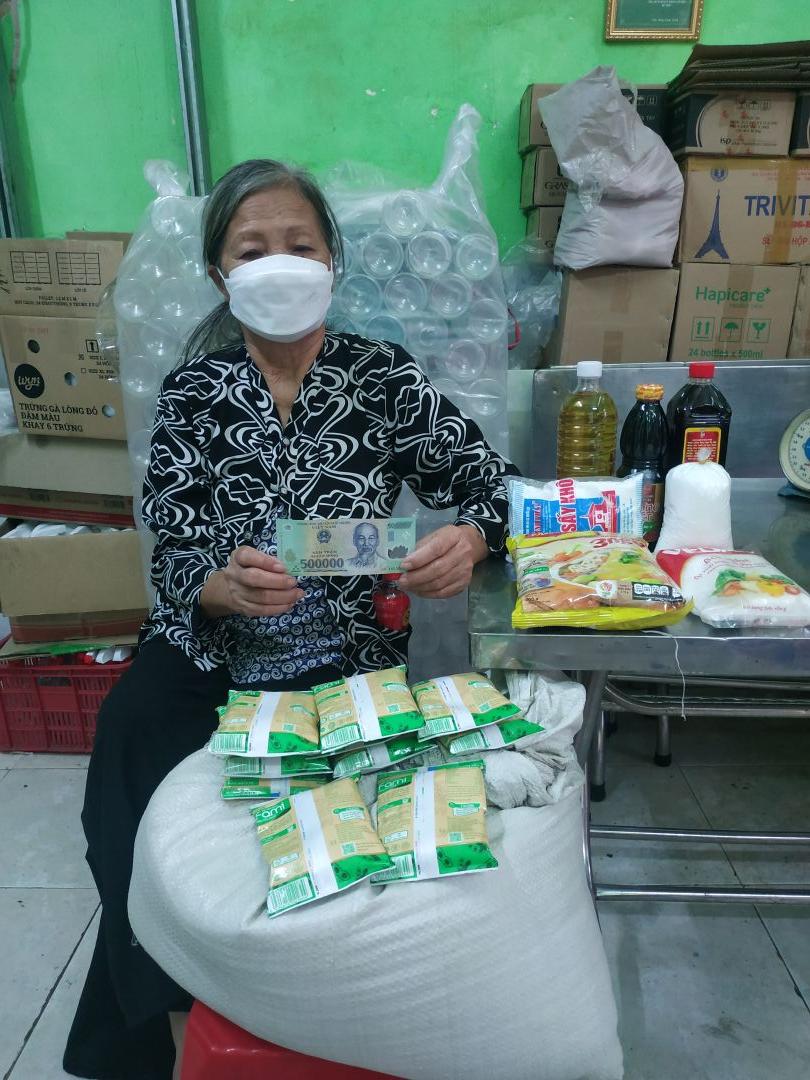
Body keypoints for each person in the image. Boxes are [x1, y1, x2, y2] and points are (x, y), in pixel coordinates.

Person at [64, 158, 519, 1080]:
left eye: (299, 245)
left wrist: (470, 537)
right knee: (125, 762)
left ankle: (333, 1023)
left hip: (346, 654)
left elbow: (494, 487)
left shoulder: (382, 378)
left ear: (331, 262)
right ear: (220, 273)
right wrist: (217, 585)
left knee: (357, 842)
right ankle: (163, 1018)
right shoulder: (195, 392)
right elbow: (172, 541)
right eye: (252, 249)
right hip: (213, 653)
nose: (279, 264)